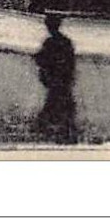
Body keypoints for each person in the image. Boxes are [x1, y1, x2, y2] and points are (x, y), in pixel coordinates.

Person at [34, 14, 78, 143]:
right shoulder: (65, 41)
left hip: (55, 77)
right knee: (62, 99)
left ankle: (45, 124)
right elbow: (71, 60)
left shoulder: (50, 43)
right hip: (63, 77)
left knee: (55, 100)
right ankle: (65, 125)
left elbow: (42, 59)